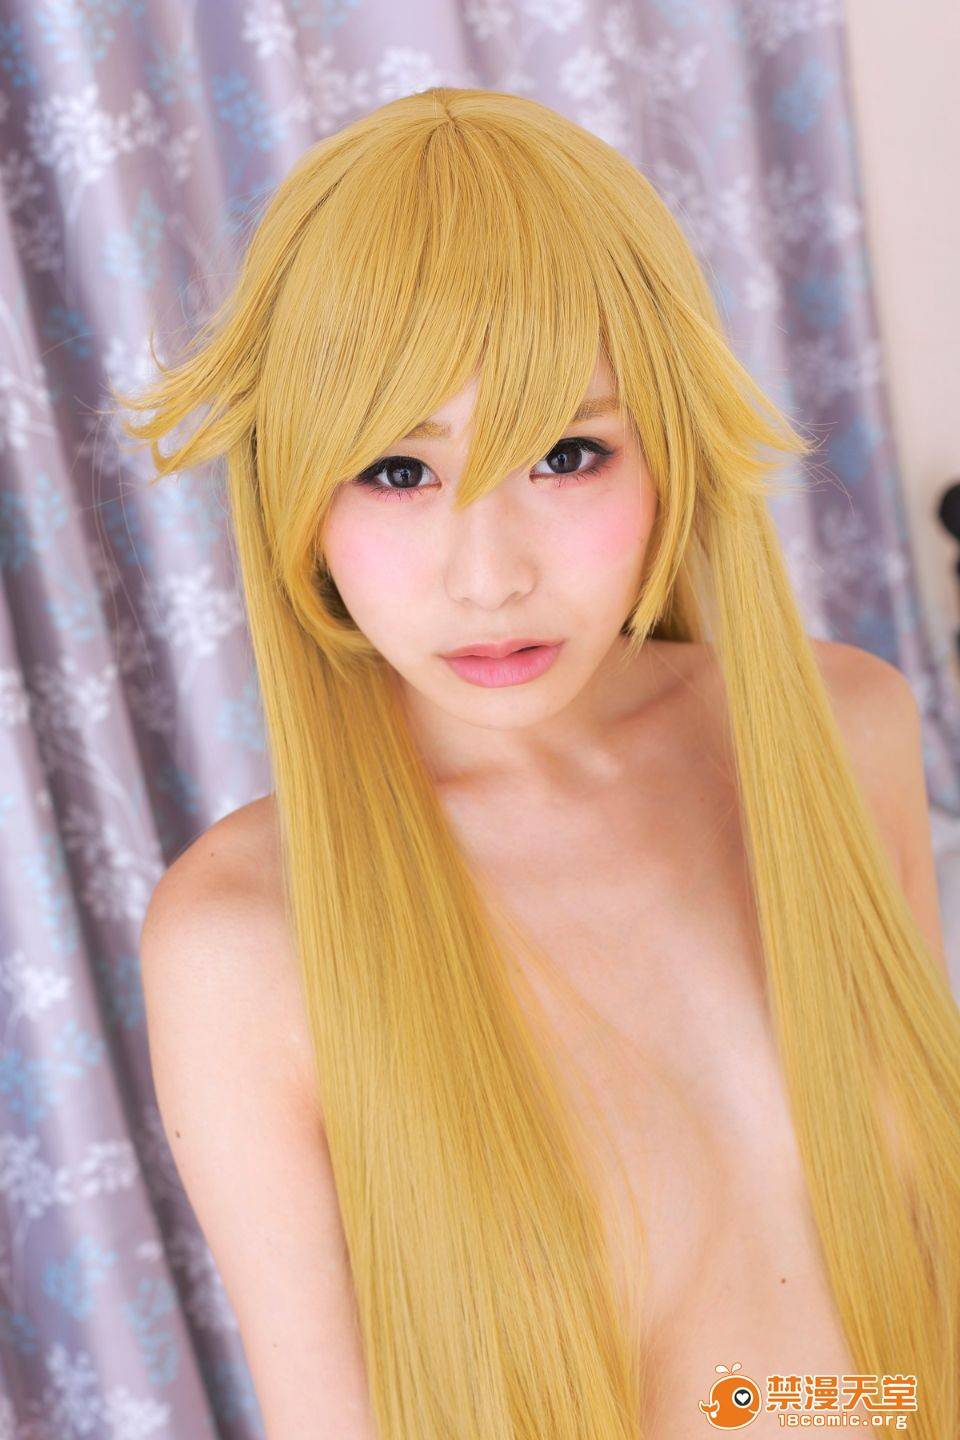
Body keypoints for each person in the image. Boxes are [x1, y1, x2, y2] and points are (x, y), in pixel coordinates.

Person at [115, 86, 960, 1439]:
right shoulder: (248, 939)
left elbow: (846, 1354)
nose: (489, 576)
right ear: (295, 494)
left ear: (669, 449)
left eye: (566, 454)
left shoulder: (842, 732)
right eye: (397, 471)